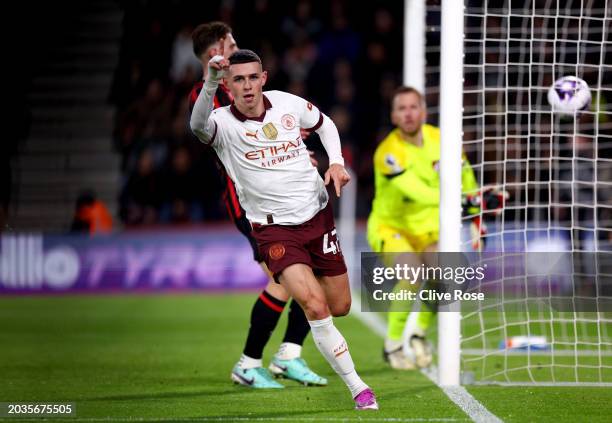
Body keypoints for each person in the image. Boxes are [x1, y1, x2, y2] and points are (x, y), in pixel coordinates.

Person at [190, 49, 378, 410]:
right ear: (229, 85)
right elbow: (196, 126)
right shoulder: (221, 122)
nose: (246, 86)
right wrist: (211, 81)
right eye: (238, 79)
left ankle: (287, 354)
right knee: (313, 304)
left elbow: (325, 124)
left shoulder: (286, 104)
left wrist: (335, 163)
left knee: (339, 305)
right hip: (275, 231)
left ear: (264, 78)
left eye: (252, 78)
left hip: (318, 216)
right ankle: (359, 389)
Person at [189, 22, 326, 389]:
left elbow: (268, 126)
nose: (236, 46)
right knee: (284, 281)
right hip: (250, 201)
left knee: (310, 275)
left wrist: (292, 148)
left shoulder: (242, 83)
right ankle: (251, 362)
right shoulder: (210, 93)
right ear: (219, 46)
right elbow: (228, 131)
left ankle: (288, 356)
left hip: (282, 195)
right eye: (232, 42)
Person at [367, 86, 482, 369]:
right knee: (412, 273)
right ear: (393, 116)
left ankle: (418, 332)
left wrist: (477, 213)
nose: (408, 113)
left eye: (413, 107)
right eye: (401, 108)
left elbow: (466, 176)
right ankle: (393, 345)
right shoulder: (388, 153)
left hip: (430, 229)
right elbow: (417, 191)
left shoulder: (443, 141)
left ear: (424, 111)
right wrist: (462, 203)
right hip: (391, 228)